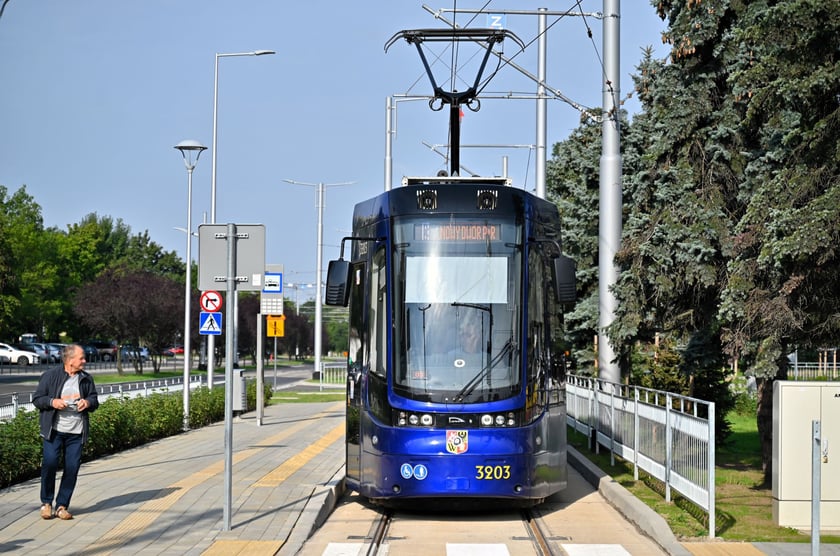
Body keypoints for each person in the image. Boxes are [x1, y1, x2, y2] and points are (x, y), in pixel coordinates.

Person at [32, 343, 99, 520]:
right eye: (81, 358)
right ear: (70, 360)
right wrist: (53, 402)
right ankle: (46, 503)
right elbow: (37, 399)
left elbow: (94, 399)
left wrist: (88, 403)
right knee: (50, 463)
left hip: (76, 433)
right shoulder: (50, 376)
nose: (85, 361)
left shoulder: (86, 378)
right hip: (54, 430)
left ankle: (62, 505)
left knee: (72, 468)